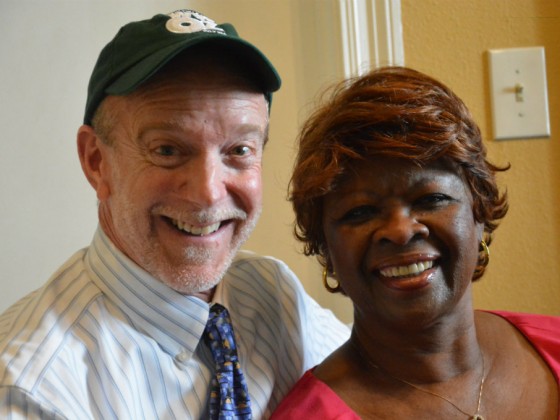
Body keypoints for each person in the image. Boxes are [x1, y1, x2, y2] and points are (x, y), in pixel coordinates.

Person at [0, 9, 349, 419]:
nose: (207, 192)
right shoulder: (33, 389)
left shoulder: (274, 294)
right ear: (97, 162)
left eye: (239, 150)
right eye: (167, 150)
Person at [272, 66, 560, 419]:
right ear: (325, 249)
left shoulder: (554, 344)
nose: (400, 230)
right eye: (360, 212)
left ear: (479, 211)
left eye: (431, 199)